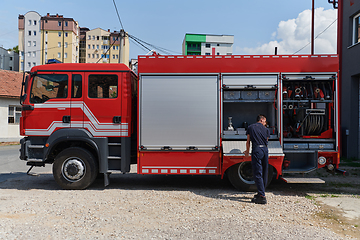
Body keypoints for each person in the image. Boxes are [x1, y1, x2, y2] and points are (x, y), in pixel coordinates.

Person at [243, 114, 270, 204]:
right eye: (265, 121)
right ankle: (261, 192)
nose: (265, 123)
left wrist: (247, 151)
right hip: (265, 150)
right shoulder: (266, 129)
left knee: (257, 172)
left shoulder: (250, 127)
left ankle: (262, 196)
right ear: (261, 120)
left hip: (257, 149)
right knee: (264, 171)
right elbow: (267, 140)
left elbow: (248, 141)